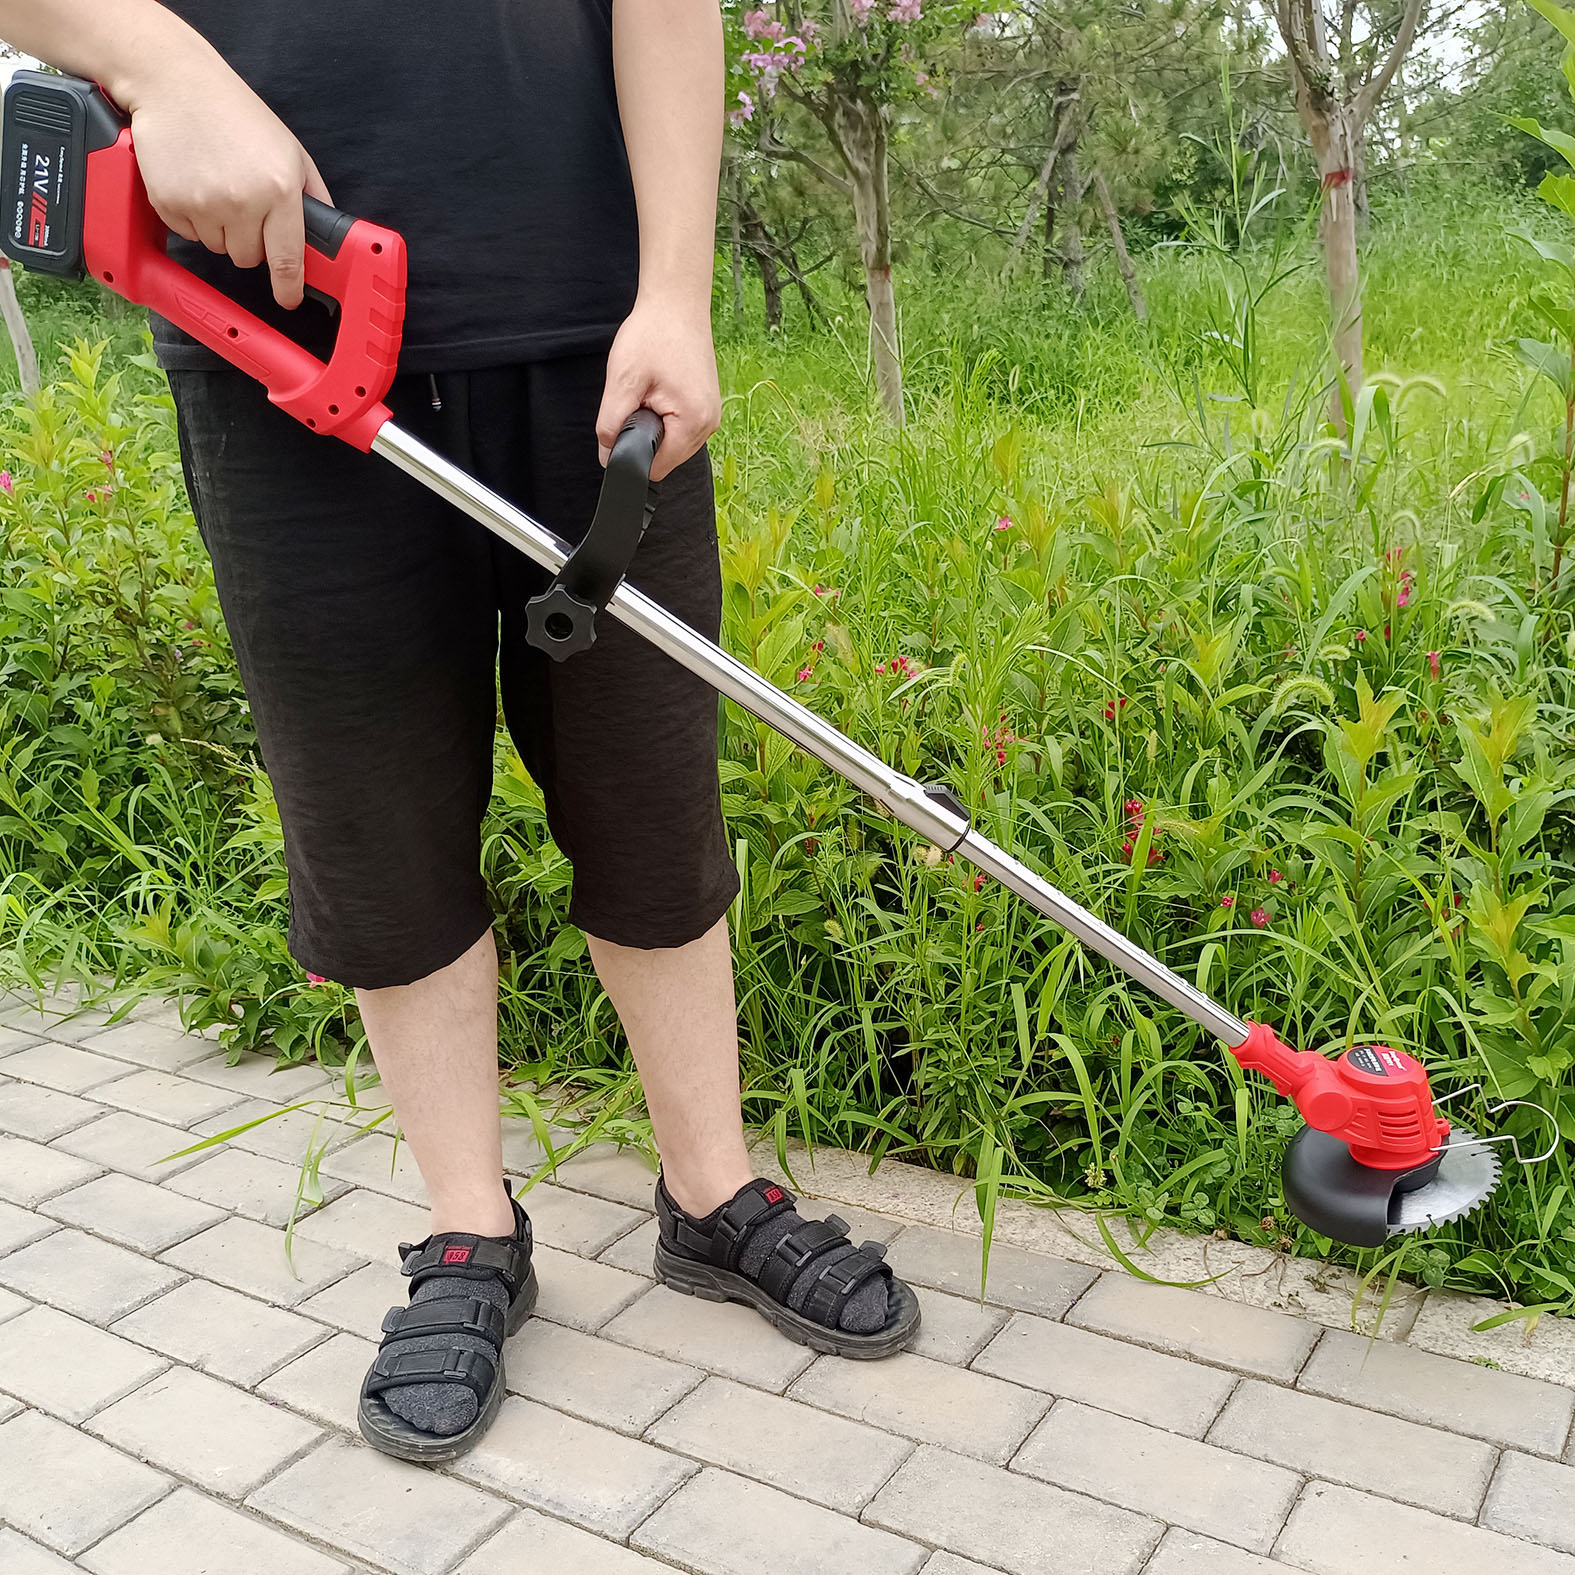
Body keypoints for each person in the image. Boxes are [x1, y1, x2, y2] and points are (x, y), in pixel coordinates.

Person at [2, 0, 921, 1460]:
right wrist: (162, 64)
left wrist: (675, 294)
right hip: (277, 344)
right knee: (372, 823)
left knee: (648, 793)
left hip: (602, 350)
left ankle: (713, 1196)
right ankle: (465, 1231)